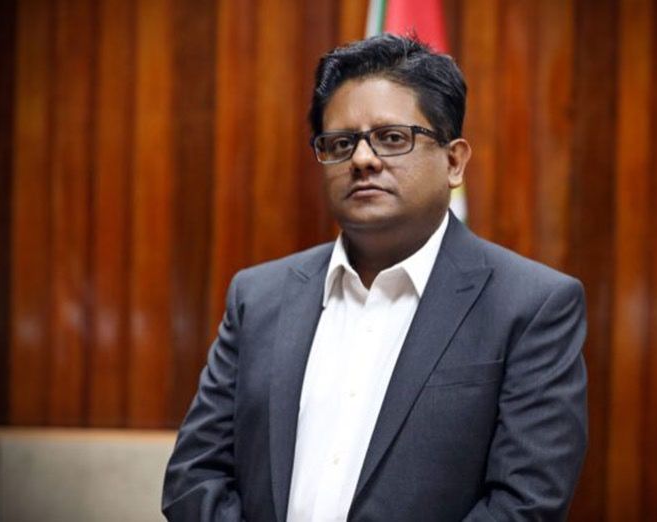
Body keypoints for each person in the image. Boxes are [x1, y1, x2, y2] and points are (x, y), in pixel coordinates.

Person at [162, 34, 587, 522]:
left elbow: (525, 505)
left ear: (454, 162)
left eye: (392, 137)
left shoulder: (531, 305)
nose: (362, 159)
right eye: (341, 143)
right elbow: (193, 478)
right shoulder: (258, 297)